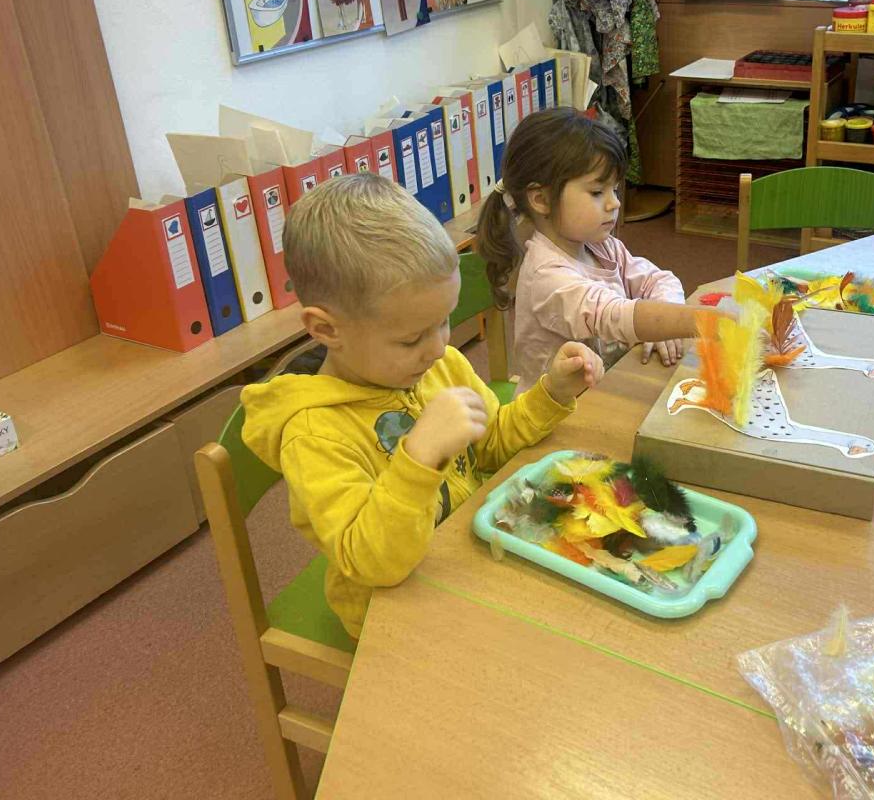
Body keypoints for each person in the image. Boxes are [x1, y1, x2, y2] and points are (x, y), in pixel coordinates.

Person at [241, 174, 602, 638]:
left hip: (468, 556)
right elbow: (374, 563)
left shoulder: (437, 365)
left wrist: (552, 393)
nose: (437, 348)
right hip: (391, 612)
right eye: (411, 338)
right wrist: (419, 458)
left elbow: (491, 444)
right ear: (326, 329)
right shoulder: (314, 435)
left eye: (444, 322)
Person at [476, 107, 704, 391]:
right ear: (541, 199)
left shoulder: (601, 245)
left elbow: (658, 280)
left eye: (614, 189)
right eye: (597, 192)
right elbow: (613, 316)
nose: (615, 203)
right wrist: (704, 322)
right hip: (559, 412)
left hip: (606, 390)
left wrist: (666, 324)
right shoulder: (546, 276)